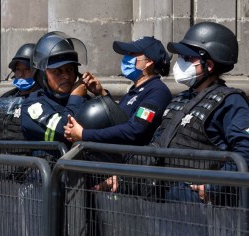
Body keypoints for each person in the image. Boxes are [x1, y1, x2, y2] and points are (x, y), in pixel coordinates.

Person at [149, 22, 249, 205]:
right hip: (164, 201)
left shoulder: (231, 102)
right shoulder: (180, 99)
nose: (180, 62)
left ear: (208, 64)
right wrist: (125, 177)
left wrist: (215, 185)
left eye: (187, 57)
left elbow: (245, 151)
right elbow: (157, 143)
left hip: (199, 207)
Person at [64, 36, 172, 146]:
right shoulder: (136, 90)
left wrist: (84, 135)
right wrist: (101, 93)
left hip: (132, 160)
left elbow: (134, 130)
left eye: (132, 54)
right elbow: (119, 119)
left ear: (148, 62)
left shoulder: (157, 92)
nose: (126, 57)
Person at [20, 31, 107, 145]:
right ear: (42, 75)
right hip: (53, 163)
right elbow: (62, 132)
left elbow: (117, 123)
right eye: (57, 71)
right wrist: (75, 97)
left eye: (69, 69)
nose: (66, 76)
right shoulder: (33, 106)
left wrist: (102, 94)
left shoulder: (83, 98)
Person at [0, 43, 39, 140]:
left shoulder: (43, 99)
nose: (21, 74)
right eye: (18, 69)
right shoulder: (6, 98)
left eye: (27, 69)